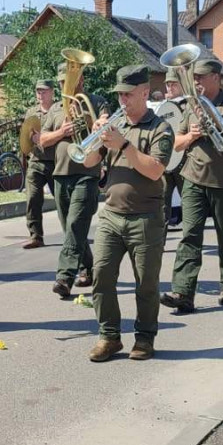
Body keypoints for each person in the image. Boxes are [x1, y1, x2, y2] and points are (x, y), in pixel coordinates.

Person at [76, 66, 173, 362]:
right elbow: (88, 161)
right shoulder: (114, 126)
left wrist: (125, 145)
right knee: (102, 277)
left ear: (144, 93)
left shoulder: (161, 128)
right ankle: (109, 337)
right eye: (119, 94)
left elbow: (156, 169)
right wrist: (96, 137)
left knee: (146, 283)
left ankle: (144, 339)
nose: (123, 100)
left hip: (146, 217)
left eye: (128, 94)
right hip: (111, 215)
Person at [161, 58, 223, 312]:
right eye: (194, 78)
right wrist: (191, 135)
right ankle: (183, 292)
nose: (196, 82)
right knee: (190, 236)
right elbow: (176, 144)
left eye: (200, 77)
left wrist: (214, 117)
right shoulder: (190, 104)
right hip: (193, 179)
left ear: (215, 77)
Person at [39, 59, 109, 299]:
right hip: (60, 174)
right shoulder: (56, 108)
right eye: (61, 82)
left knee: (76, 225)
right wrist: (62, 132)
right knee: (71, 228)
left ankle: (64, 277)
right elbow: (42, 140)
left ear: (81, 79)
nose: (65, 85)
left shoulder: (95, 101)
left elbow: (105, 127)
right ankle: (88, 268)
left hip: (86, 174)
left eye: (70, 80)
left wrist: (97, 124)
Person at [22, 79, 57, 249]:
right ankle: (35, 235)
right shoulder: (31, 112)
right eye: (38, 91)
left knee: (63, 200)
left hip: (56, 162)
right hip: (36, 161)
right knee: (32, 198)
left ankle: (72, 235)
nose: (40, 95)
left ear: (52, 92)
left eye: (44, 91)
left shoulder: (59, 109)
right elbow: (26, 136)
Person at [157, 77, 187, 229]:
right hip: (166, 161)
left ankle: (190, 246)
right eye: (167, 84)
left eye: (173, 84)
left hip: (184, 161)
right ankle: (158, 246)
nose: (169, 87)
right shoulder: (162, 106)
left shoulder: (188, 104)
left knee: (188, 204)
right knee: (161, 205)